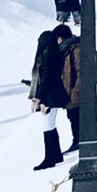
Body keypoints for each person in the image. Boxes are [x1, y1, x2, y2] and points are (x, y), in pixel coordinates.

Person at [28, 23, 71, 169]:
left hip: (50, 96)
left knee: (47, 126)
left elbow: (45, 79)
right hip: (55, 93)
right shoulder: (54, 54)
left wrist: (37, 98)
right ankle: (56, 155)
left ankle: (50, 157)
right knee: (50, 124)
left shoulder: (47, 57)